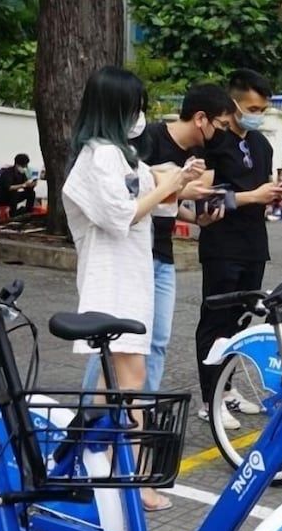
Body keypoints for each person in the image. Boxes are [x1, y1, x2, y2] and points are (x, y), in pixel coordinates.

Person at [62, 66, 186, 512]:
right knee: (128, 383)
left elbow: (152, 189)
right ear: (116, 108)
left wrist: (177, 178)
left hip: (131, 280)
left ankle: (82, 458)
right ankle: (130, 479)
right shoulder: (95, 159)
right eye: (136, 106)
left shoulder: (120, 156)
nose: (141, 115)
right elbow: (121, 214)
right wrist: (166, 185)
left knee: (117, 385)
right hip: (109, 284)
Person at [81, 83, 234, 398]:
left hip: (162, 255)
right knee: (113, 342)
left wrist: (196, 217)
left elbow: (165, 206)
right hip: (132, 253)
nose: (223, 133)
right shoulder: (144, 139)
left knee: (157, 341)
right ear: (201, 119)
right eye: (220, 125)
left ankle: (141, 416)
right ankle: (90, 417)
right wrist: (172, 184)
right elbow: (130, 199)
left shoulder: (200, 153)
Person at [193, 69, 282, 427]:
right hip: (222, 245)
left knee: (239, 323)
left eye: (263, 108)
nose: (257, 114)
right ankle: (210, 399)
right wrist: (251, 196)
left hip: (253, 245)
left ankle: (227, 388)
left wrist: (276, 194)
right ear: (232, 104)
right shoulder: (213, 143)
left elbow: (260, 190)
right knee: (215, 321)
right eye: (252, 107)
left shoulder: (262, 144)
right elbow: (203, 200)